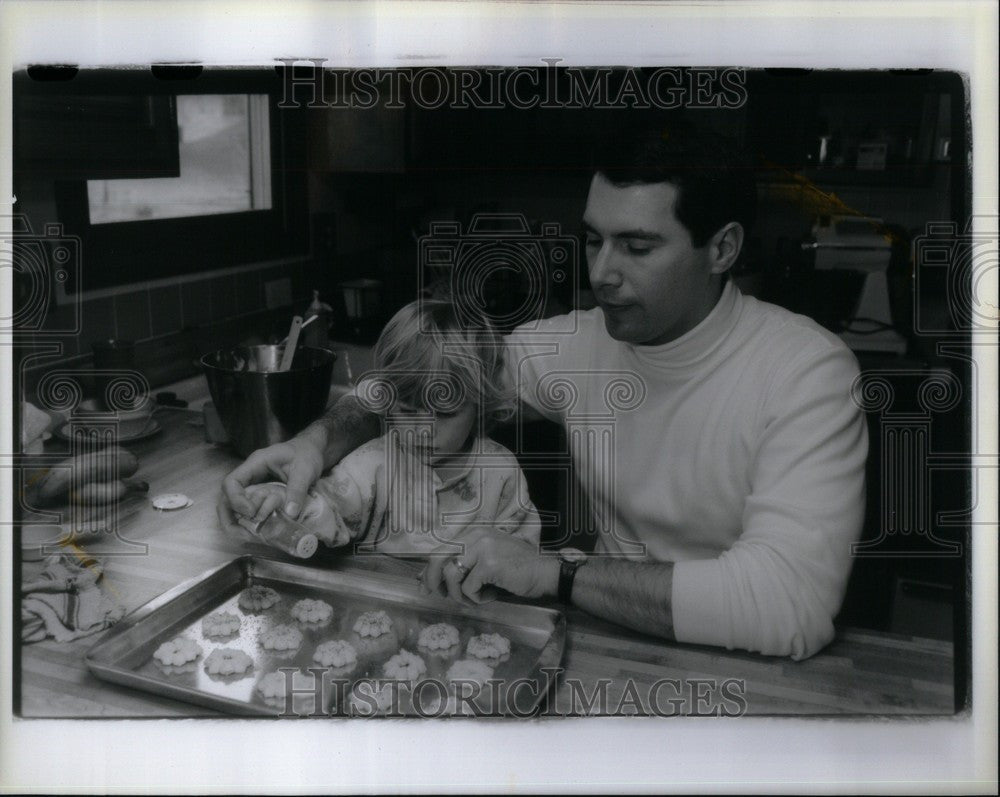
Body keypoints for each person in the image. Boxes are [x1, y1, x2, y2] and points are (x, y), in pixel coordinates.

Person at [220, 123, 867, 661]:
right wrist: (316, 441)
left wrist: (559, 571)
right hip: (608, 645)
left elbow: (790, 604)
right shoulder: (576, 344)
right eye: (594, 239)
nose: (601, 273)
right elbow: (416, 384)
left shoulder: (806, 372)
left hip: (744, 670)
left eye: (637, 246)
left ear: (722, 247)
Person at [232, 298, 541, 557]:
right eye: (407, 410)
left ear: (480, 403)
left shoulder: (501, 473)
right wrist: (275, 501)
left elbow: (524, 559)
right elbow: (324, 510)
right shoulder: (372, 464)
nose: (423, 430)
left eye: (445, 413)